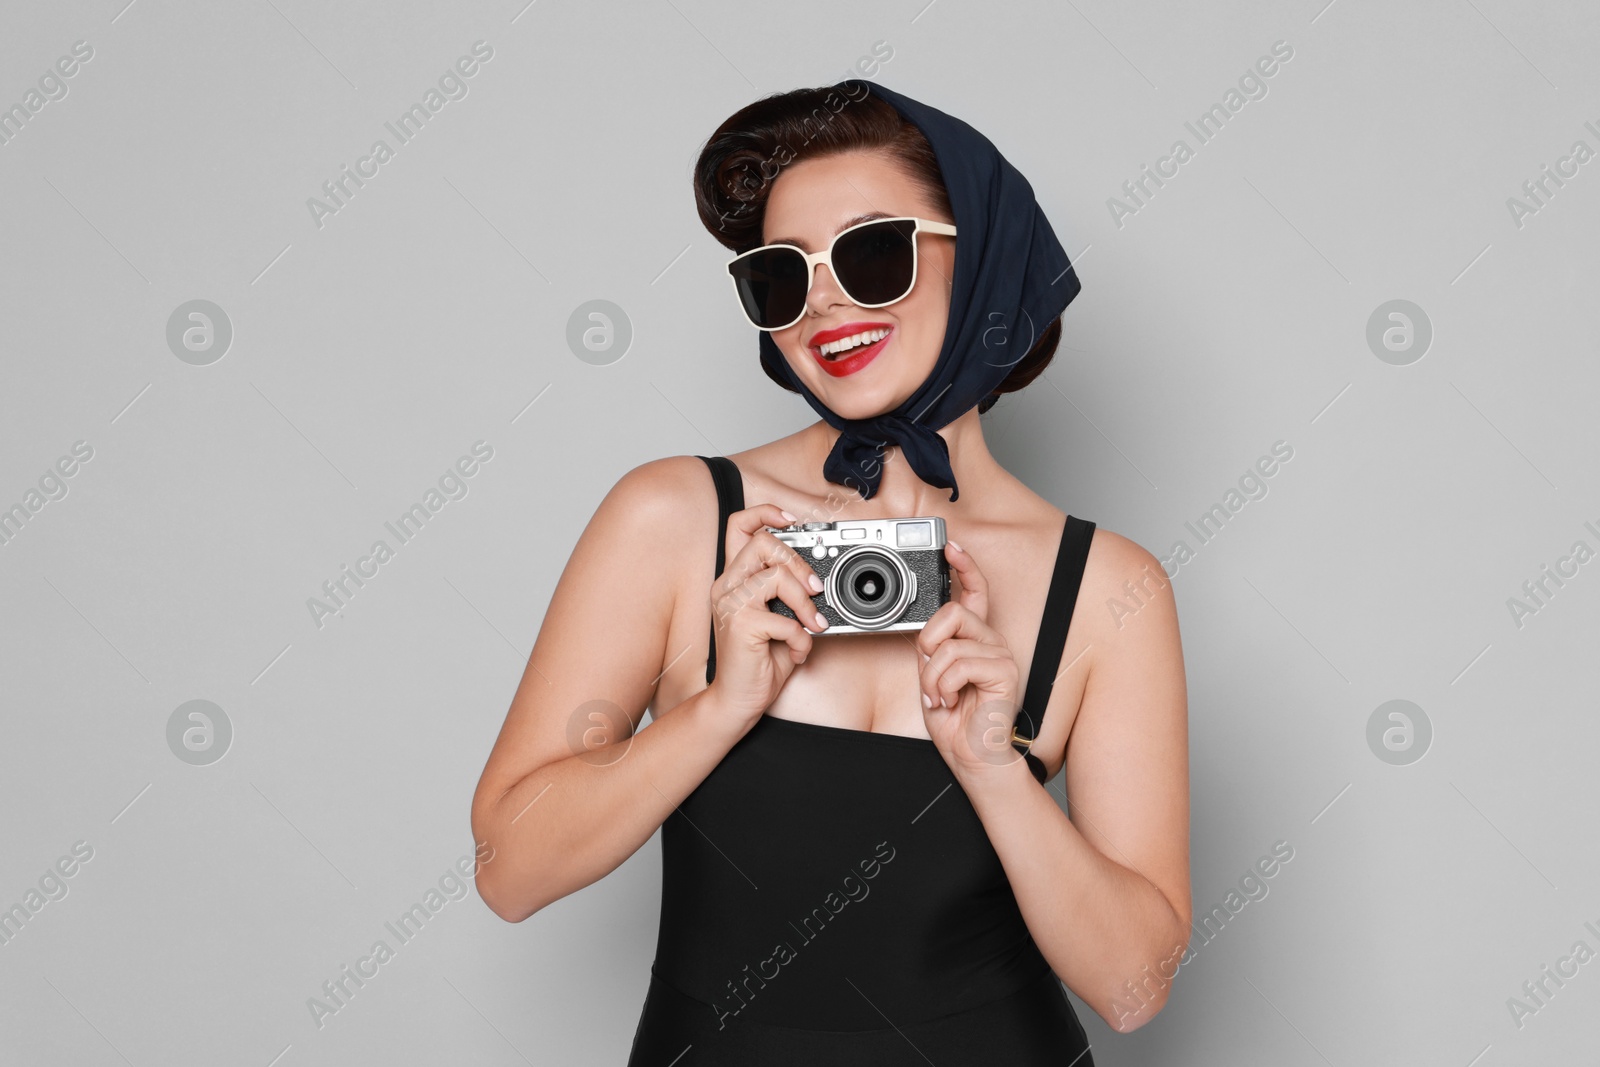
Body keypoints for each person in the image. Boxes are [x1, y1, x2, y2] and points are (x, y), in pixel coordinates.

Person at [470, 79, 1190, 1065]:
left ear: (978, 254)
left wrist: (993, 767)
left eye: (873, 252)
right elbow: (510, 870)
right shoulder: (676, 517)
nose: (822, 301)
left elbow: (1132, 987)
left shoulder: (1105, 585)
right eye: (780, 274)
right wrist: (717, 708)